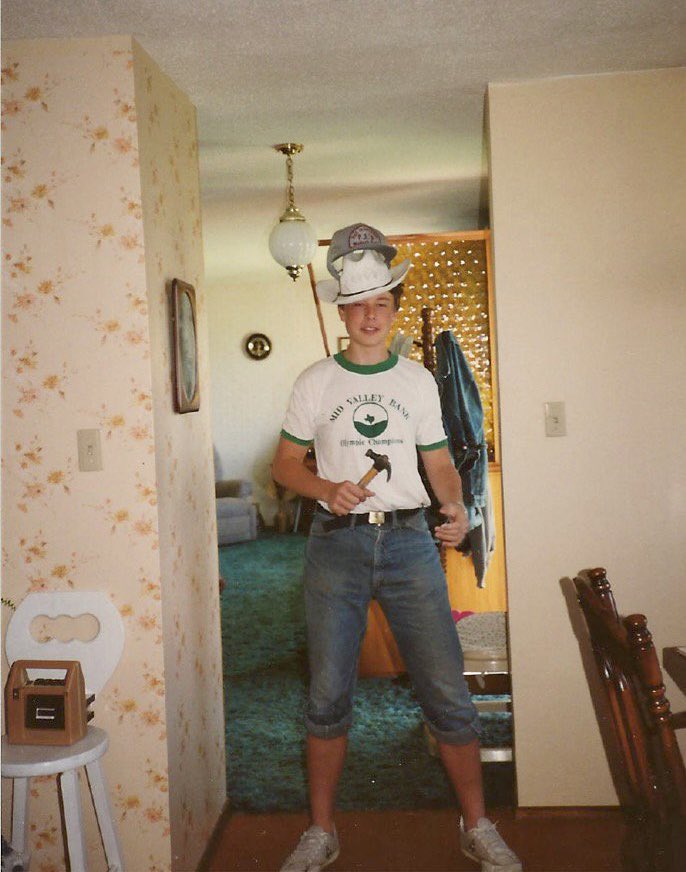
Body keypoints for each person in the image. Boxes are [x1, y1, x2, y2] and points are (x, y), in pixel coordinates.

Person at [272, 223, 522, 872]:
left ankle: (477, 823)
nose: (370, 315)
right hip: (335, 549)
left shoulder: (416, 381)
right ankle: (320, 831)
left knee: (446, 693)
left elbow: (438, 461)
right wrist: (327, 488)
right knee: (328, 694)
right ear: (342, 311)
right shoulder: (314, 382)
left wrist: (455, 506)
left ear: (394, 306)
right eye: (357, 304)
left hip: (411, 546)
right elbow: (285, 467)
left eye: (381, 302)